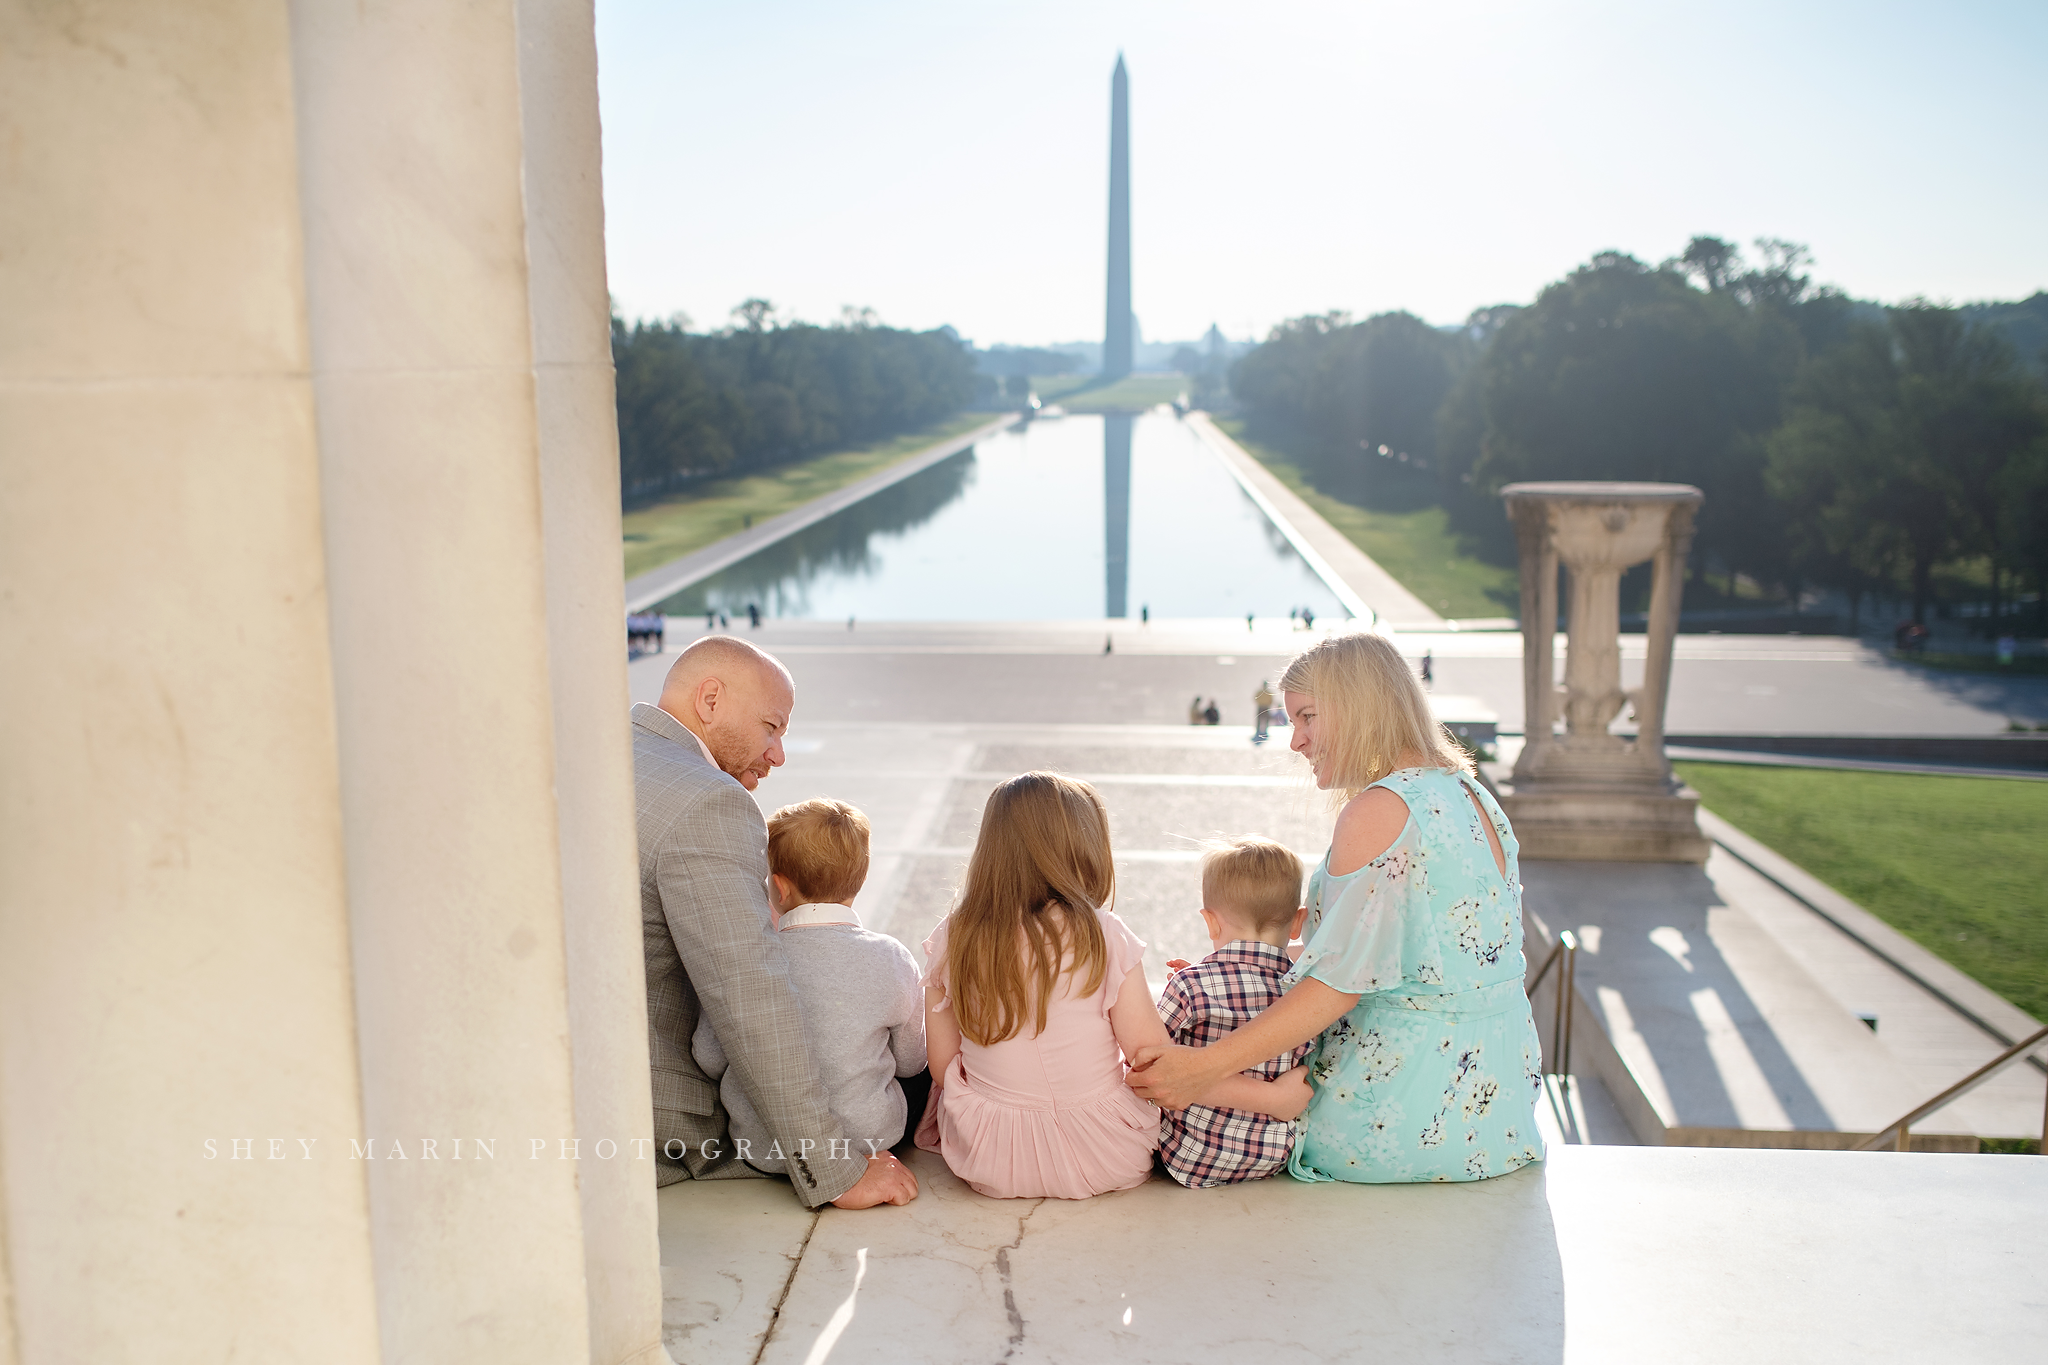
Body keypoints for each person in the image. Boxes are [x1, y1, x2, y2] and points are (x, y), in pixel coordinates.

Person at [1129, 630, 1544, 1185]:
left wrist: (1200, 1070)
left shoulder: (1379, 809)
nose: (1295, 741)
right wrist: (1240, 964)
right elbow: (1419, 952)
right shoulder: (1471, 794)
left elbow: (1340, 984)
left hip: (1401, 1119)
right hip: (1498, 1115)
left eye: (1307, 717)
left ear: (1357, 707)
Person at [915, 773, 1302, 1199]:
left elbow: (943, 1064)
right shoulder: (1103, 933)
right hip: (1107, 1156)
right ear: (1085, 848)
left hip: (987, 1157)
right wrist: (1273, 1101)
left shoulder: (954, 936)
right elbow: (1154, 1065)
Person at [634, 635, 917, 1209]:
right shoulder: (706, 800)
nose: (779, 754)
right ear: (709, 699)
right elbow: (747, 994)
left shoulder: (610, 757)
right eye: (771, 726)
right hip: (663, 1124)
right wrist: (835, 1169)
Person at [692, 798, 928, 1171]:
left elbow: (709, 1057)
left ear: (780, 888)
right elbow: (912, 1062)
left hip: (764, 1148)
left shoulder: (745, 961)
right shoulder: (891, 956)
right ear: (860, 880)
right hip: (869, 1138)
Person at [1156, 837, 1313, 1188]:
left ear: (1210, 922)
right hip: (1271, 1157)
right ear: (1297, 922)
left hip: (1184, 1156)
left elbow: (1150, 1060)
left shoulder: (1190, 984)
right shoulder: (1308, 995)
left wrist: (1188, 983)